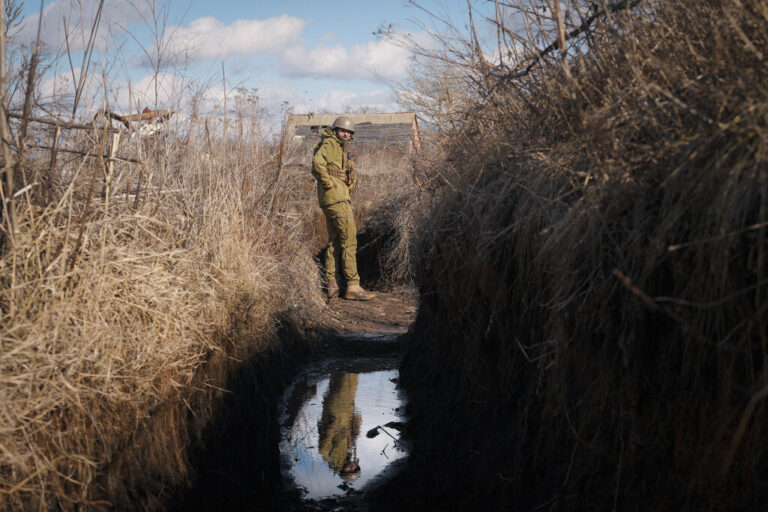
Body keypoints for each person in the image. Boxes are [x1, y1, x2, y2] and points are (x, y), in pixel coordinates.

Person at [312, 116, 375, 300]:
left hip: (331, 199)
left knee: (334, 241)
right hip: (336, 199)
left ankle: (331, 284)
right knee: (349, 241)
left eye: (349, 132)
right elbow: (317, 163)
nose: (346, 134)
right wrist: (329, 182)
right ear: (336, 130)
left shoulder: (337, 146)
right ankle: (353, 286)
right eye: (343, 130)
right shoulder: (331, 144)